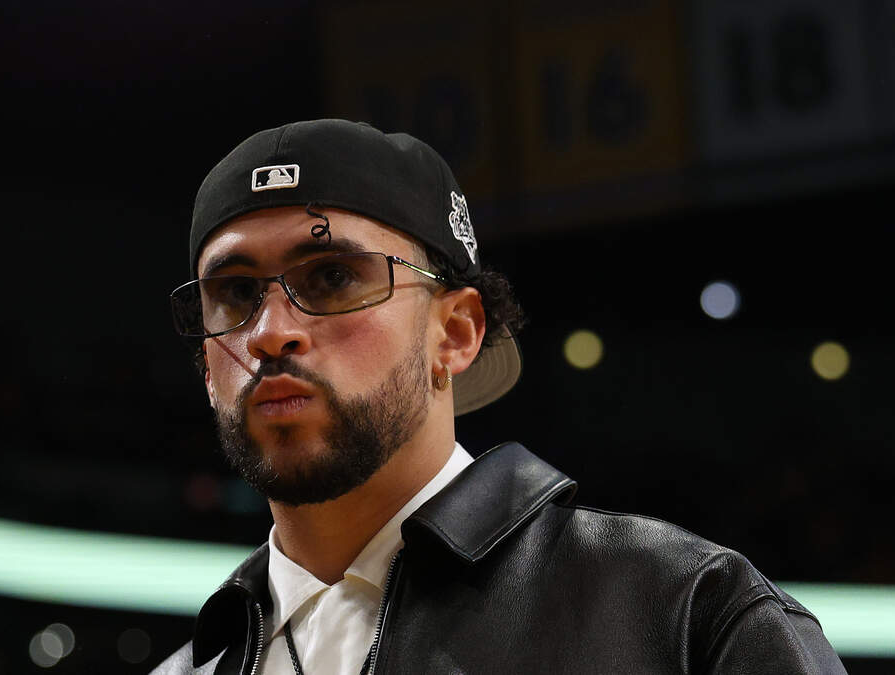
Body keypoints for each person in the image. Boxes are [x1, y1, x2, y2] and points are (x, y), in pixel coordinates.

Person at [153, 119, 846, 674]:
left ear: (455, 333)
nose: (270, 332)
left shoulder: (684, 613)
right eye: (235, 293)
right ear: (206, 365)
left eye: (332, 277)